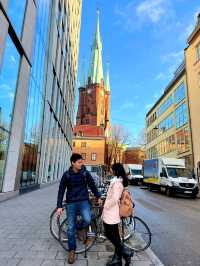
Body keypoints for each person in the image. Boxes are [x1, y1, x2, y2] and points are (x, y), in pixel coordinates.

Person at [56, 153, 102, 264]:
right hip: (71, 203)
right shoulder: (66, 175)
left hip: (83, 201)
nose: (81, 164)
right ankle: (72, 250)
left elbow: (92, 185)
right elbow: (61, 190)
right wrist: (59, 206)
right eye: (79, 162)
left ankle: (79, 227)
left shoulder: (85, 173)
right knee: (70, 228)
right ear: (73, 163)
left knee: (87, 219)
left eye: (82, 162)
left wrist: (98, 196)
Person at [102, 163, 134, 266]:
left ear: (115, 170)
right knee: (115, 236)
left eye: (112, 169)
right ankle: (118, 260)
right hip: (112, 212)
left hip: (111, 213)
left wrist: (106, 205)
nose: (110, 170)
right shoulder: (117, 181)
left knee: (108, 234)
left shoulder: (117, 183)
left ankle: (126, 251)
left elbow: (115, 198)